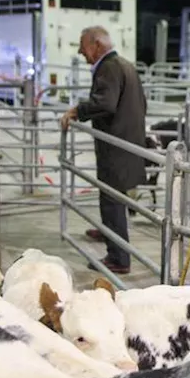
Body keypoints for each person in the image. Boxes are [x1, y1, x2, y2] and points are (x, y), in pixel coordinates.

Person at [61, 26, 147, 275]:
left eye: (82, 45)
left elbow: (105, 103)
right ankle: (108, 231)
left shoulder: (109, 67)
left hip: (115, 145)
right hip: (128, 142)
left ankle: (119, 257)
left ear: (96, 45)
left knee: (112, 198)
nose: (80, 52)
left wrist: (78, 110)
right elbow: (142, 102)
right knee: (114, 198)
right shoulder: (125, 64)